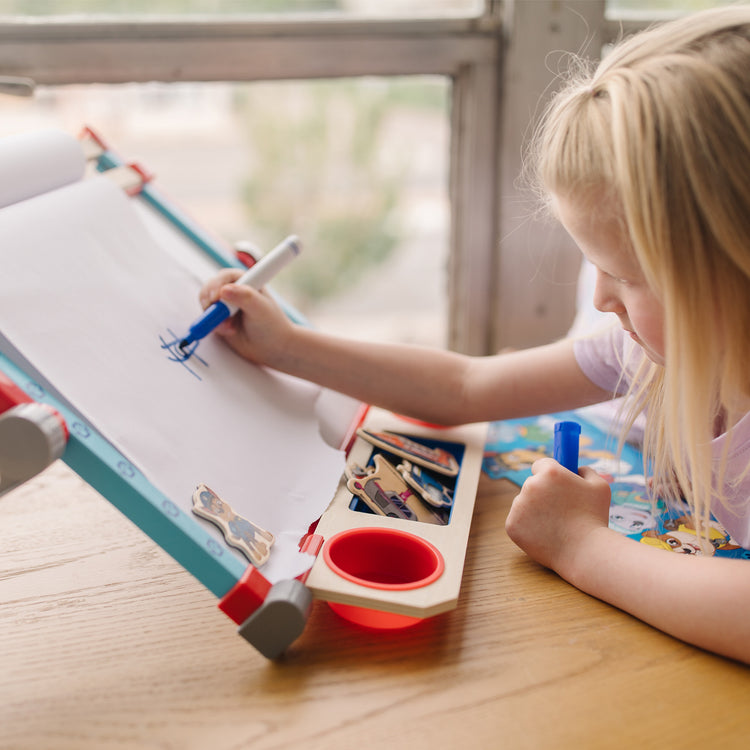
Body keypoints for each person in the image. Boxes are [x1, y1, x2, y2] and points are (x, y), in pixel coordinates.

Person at [198, 6, 750, 664]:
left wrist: (580, 545)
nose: (601, 300)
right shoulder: (648, 354)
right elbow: (467, 387)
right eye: (593, 268)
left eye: (626, 277)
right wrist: (288, 347)